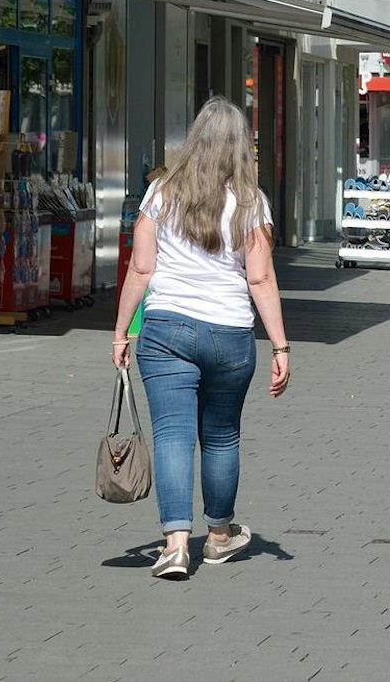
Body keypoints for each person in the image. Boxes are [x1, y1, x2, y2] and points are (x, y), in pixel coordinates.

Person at [111, 98, 291, 581]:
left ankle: (174, 546)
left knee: (171, 435)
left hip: (166, 329)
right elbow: (261, 279)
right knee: (221, 435)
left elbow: (141, 268)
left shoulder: (160, 193)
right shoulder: (251, 201)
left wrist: (122, 330)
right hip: (230, 333)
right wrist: (280, 345)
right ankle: (217, 537)